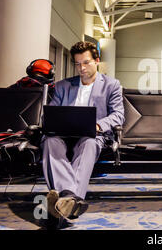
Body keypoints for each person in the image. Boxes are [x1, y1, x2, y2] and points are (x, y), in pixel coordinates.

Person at [41, 41, 124, 221]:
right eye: (77, 63)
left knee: (89, 143)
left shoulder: (111, 85)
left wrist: (97, 125)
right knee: (50, 142)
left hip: (92, 134)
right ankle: (70, 199)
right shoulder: (63, 86)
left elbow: (118, 115)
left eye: (86, 62)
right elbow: (52, 112)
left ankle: (64, 199)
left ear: (97, 61)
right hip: (63, 135)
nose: (81, 68)